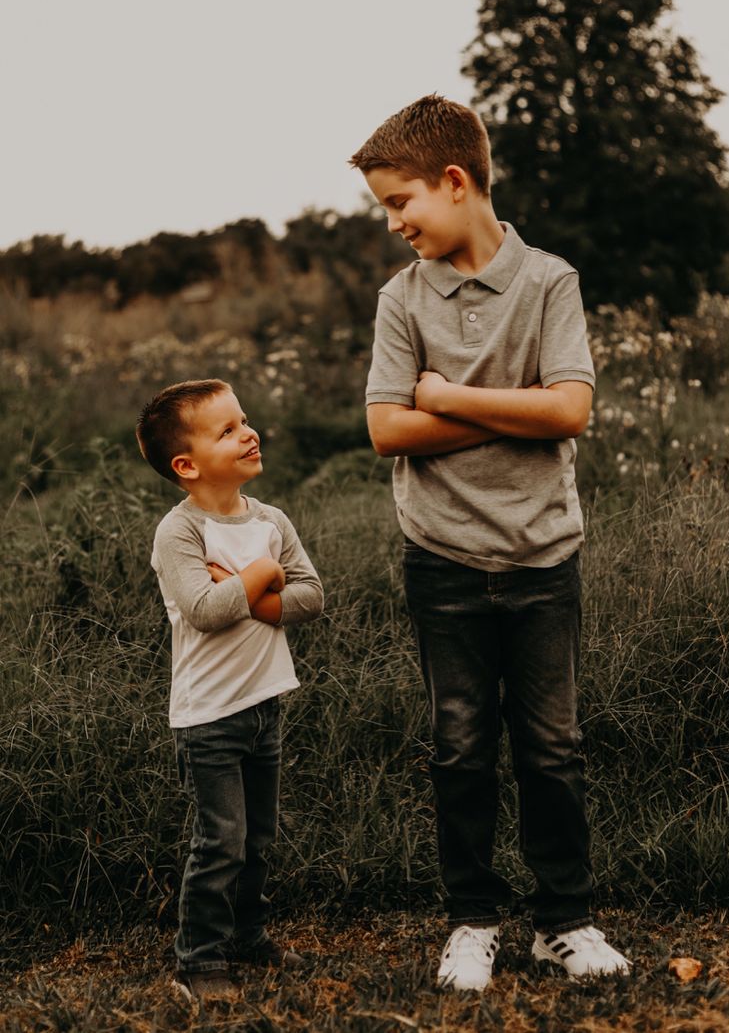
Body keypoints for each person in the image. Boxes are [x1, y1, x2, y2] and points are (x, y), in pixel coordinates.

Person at [349, 95, 630, 991]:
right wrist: (516, 411)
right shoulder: (402, 299)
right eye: (386, 208)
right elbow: (387, 432)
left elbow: (572, 410)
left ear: (456, 181)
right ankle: (472, 921)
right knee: (458, 747)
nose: (394, 223)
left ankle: (565, 921)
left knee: (552, 747)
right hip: (443, 563)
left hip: (545, 559)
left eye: (401, 203)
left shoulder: (550, 281)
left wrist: (445, 396)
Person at [136, 379, 323, 1002]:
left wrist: (251, 589)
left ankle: (248, 936)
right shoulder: (180, 533)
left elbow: (311, 597)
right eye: (227, 430)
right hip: (209, 716)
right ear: (186, 466)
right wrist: (264, 573)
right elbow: (205, 608)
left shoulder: (270, 519)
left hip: (263, 704)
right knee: (221, 842)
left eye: (244, 420)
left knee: (258, 839)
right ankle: (199, 961)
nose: (249, 433)